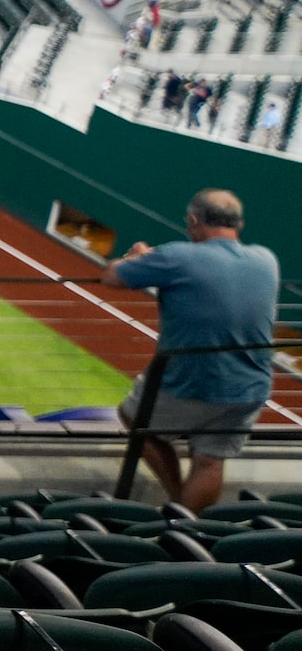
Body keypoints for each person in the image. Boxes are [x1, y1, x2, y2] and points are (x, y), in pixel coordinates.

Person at [110, 189, 280, 512]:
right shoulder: (266, 260)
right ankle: (188, 527)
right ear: (238, 224)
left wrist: (141, 258)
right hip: (250, 387)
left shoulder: (177, 255)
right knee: (210, 461)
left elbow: (113, 276)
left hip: (192, 382)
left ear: (193, 221)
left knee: (134, 418)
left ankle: (177, 501)